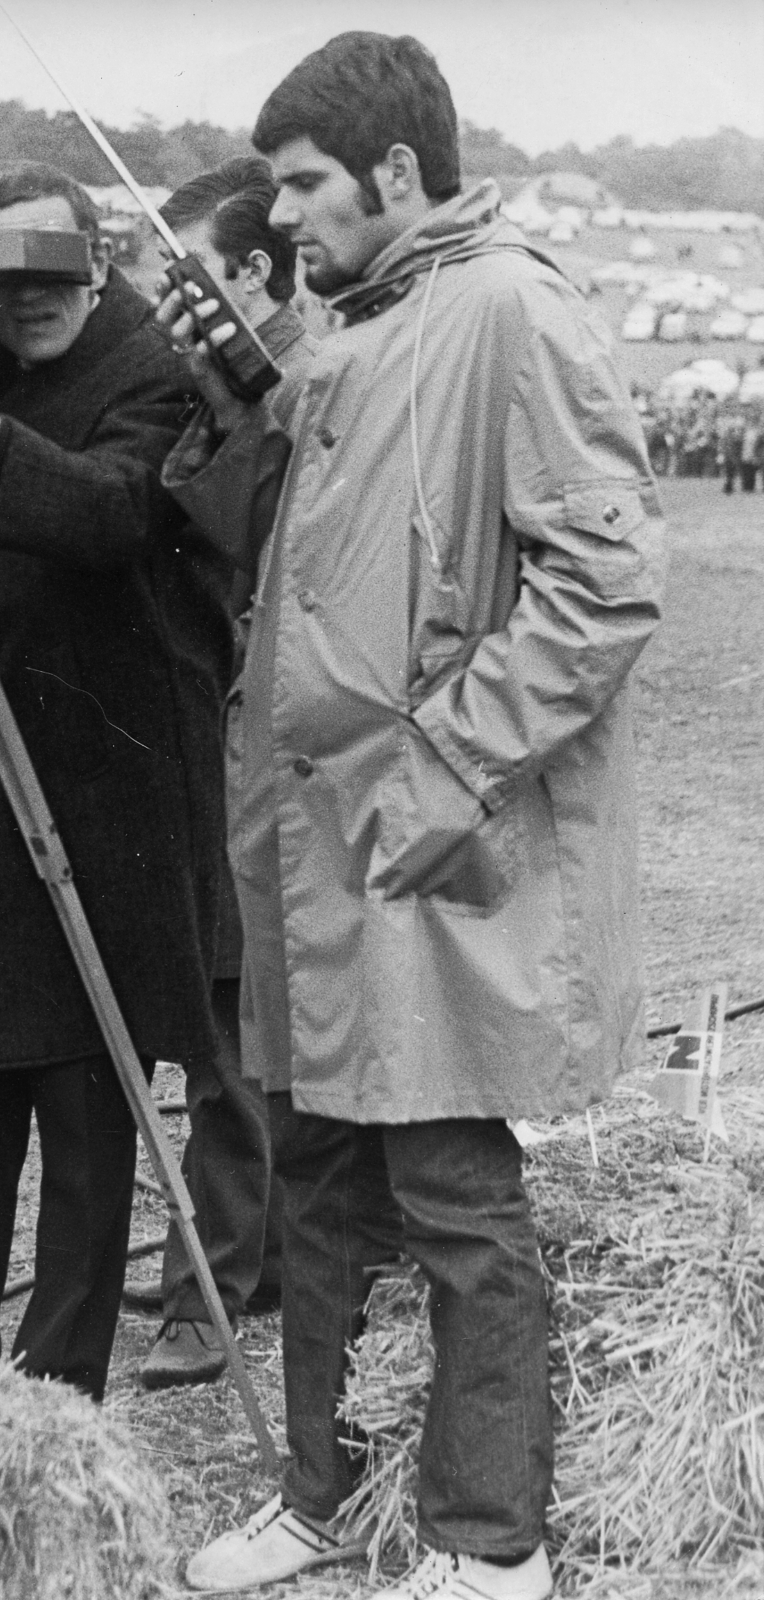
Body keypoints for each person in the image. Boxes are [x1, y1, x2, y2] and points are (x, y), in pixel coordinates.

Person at [159, 32, 665, 1600]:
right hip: (321, 857)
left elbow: (603, 584)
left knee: (451, 1192)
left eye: (303, 188)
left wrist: (445, 765)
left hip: (436, 848)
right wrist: (249, 372)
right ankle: (323, 1498)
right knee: (314, 1179)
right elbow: (319, 521)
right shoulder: (367, 319)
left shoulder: (509, 305)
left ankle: (484, 1542)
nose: (283, 221)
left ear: (392, 171)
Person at [0, 160, 233, 1403]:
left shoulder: (159, 372)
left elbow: (120, 515)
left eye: (43, 276)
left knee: (84, 1114)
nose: (21, 307)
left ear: (98, 251)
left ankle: (56, 1395)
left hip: (105, 807)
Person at [139, 156, 319, 1390]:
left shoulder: (311, 374)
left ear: (252, 272)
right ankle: (232, 1255)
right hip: (215, 724)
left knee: (241, 1015)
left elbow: (255, 534)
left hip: (284, 738)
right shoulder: (230, 374)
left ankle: (226, 1270)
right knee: (224, 1004)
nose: (169, 296)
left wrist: (222, 395)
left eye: (189, 271)